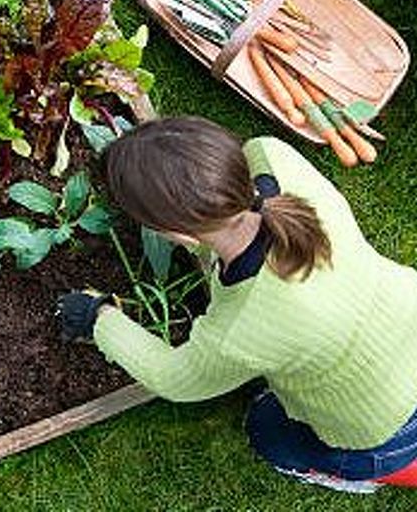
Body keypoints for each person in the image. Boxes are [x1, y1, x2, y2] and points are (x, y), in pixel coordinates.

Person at [57, 116, 417, 492]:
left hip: (378, 430)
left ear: (178, 235)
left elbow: (172, 377)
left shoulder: (241, 327)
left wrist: (98, 317)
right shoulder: (279, 163)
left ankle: (356, 472)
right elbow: (255, 151)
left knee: (265, 429)